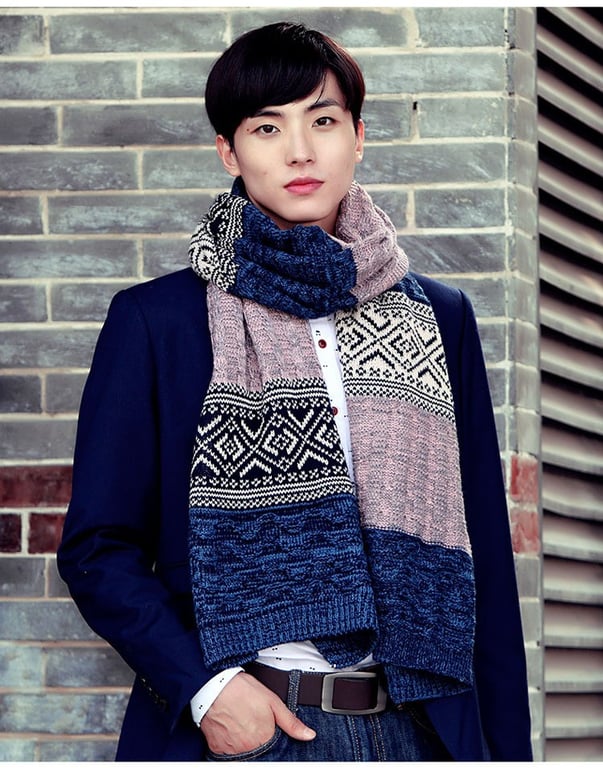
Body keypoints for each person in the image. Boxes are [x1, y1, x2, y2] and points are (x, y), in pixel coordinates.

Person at [57, 21, 533, 762]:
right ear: (229, 151)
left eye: (323, 121)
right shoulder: (158, 322)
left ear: (358, 136)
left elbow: (484, 562)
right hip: (252, 729)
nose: (300, 151)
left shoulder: (440, 316)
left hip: (419, 729)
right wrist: (209, 691)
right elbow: (98, 548)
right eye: (267, 127)